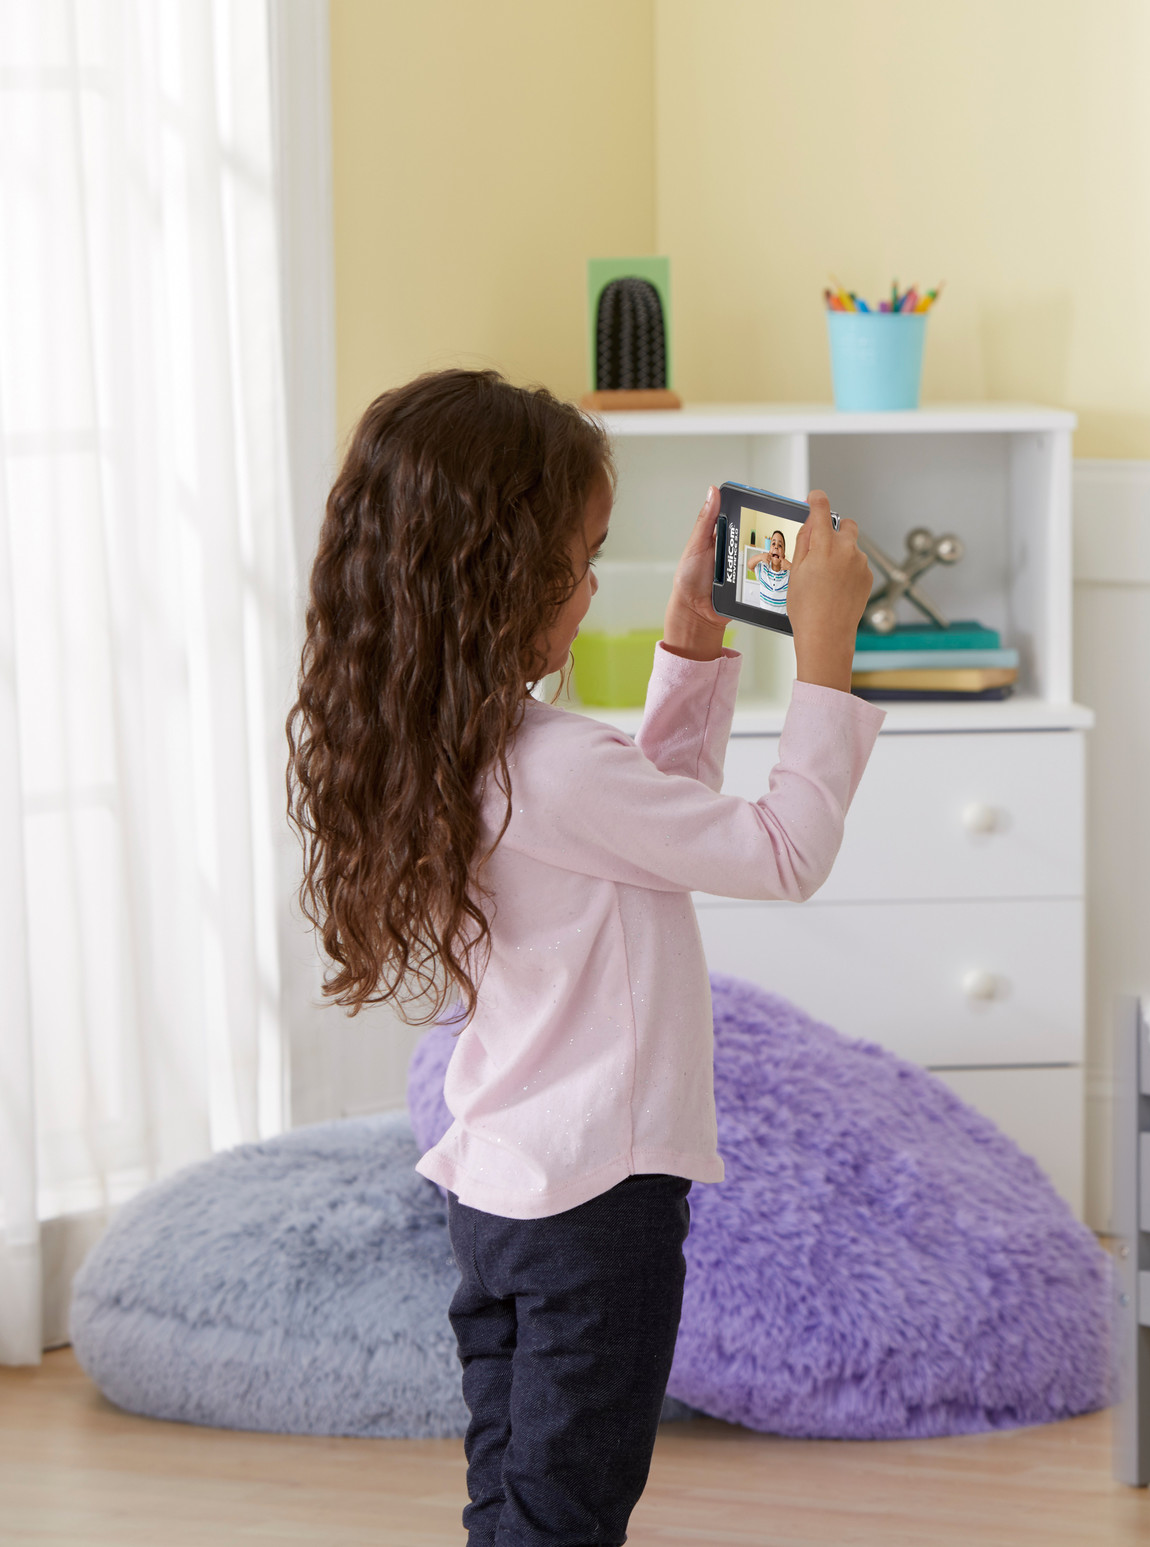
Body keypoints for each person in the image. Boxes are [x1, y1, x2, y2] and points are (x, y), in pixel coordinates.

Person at [286, 369, 881, 1546]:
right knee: (565, 1513)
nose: (595, 582)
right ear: (505, 576)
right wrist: (824, 655)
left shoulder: (451, 746)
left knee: (513, 1495)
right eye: (582, 556)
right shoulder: (553, 763)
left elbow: (649, 834)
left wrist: (691, 640)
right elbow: (783, 851)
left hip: (500, 1190)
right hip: (598, 1202)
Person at [750, 526, 790, 611]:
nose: (776, 547)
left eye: (780, 545)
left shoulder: (788, 575)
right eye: (773, 544)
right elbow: (750, 565)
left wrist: (791, 566)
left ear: (783, 556)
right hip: (763, 617)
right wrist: (761, 556)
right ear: (769, 552)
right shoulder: (763, 569)